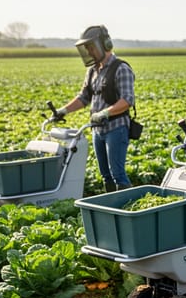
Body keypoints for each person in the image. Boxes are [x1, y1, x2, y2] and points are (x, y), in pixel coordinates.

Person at [54, 25, 135, 192]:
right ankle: (111, 204)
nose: (89, 52)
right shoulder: (93, 71)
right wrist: (63, 110)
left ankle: (128, 206)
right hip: (97, 130)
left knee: (117, 173)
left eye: (91, 47)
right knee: (105, 174)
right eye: (87, 48)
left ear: (105, 44)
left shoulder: (121, 68)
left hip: (116, 128)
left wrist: (105, 112)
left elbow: (127, 100)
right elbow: (84, 97)